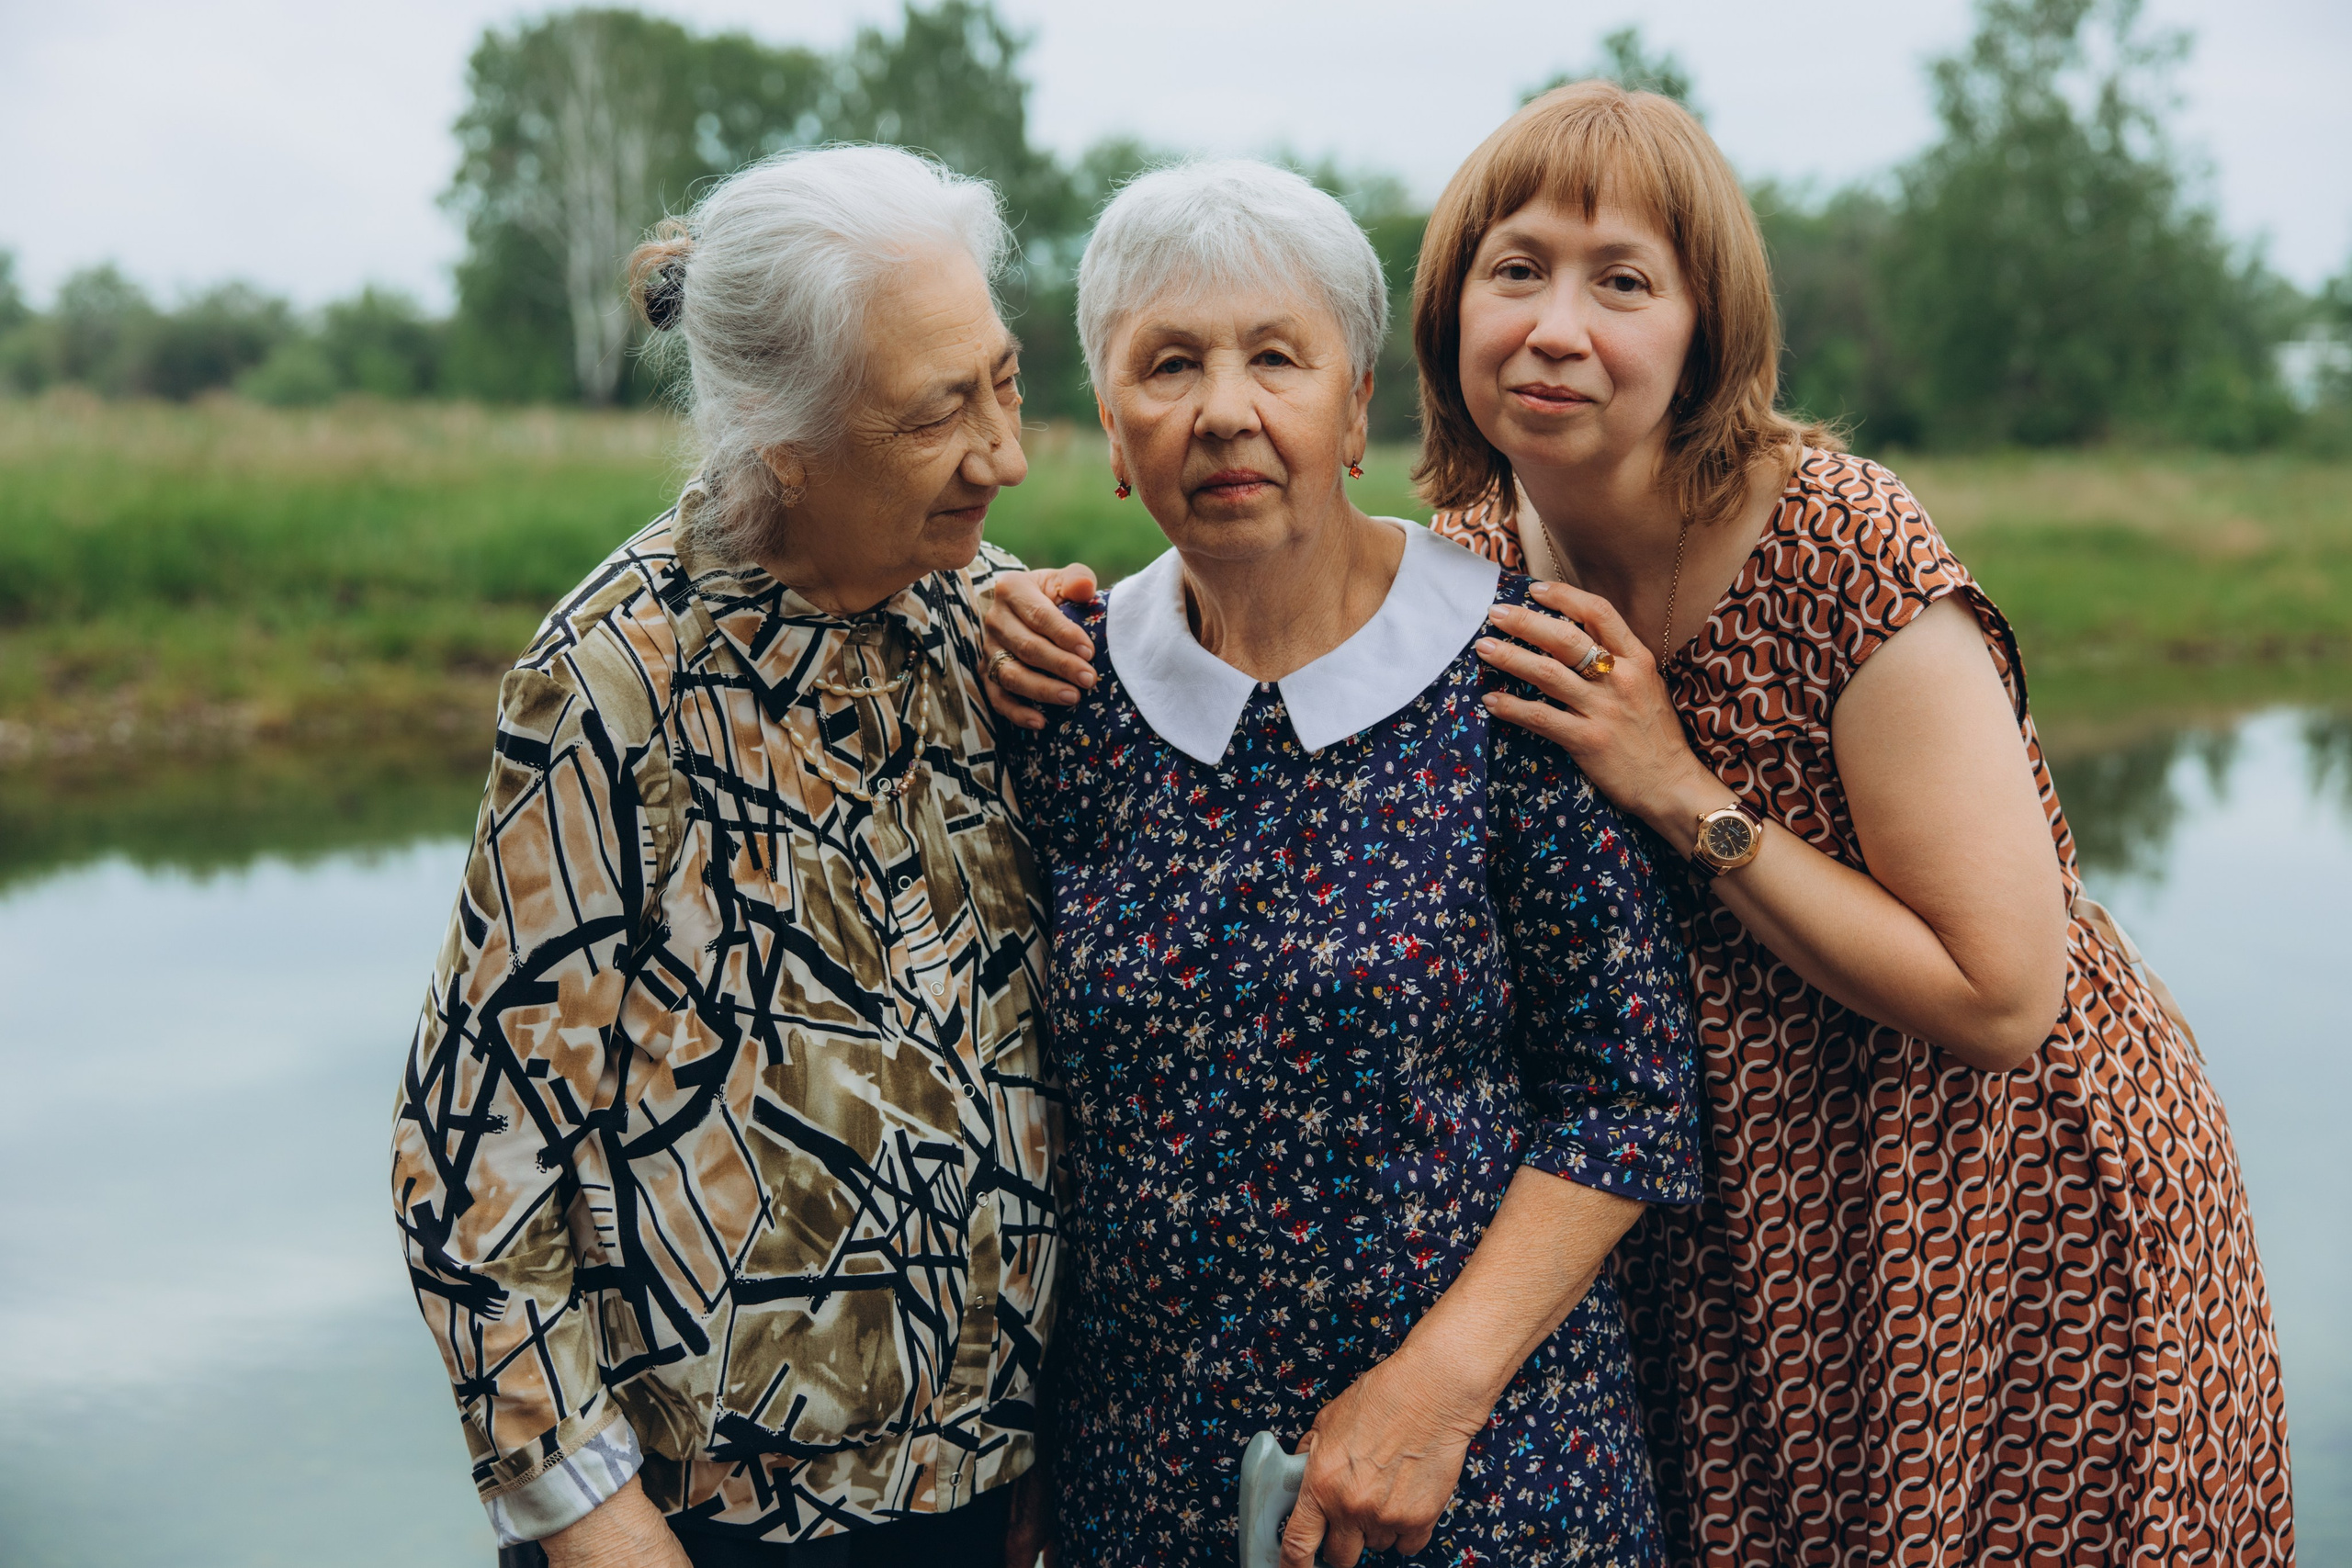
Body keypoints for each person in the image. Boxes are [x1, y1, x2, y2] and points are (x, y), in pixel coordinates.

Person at [987, 87, 2295, 1564]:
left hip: (1984, 1189)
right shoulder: (1482, 567)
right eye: (1517, 270)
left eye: (1621, 280)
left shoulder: (1839, 545)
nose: (1558, 327)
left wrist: (1679, 789)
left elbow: (2003, 996)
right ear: (1445, 316)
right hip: (1751, 1217)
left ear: (1703, 331)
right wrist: (1006, 602)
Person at [1001, 160, 1705, 1568]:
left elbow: (1627, 1097)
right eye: (1169, 366)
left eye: (1278, 357)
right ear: (1114, 432)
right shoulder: (1056, 693)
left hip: (1484, 1471)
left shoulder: (1515, 670)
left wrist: (1435, 1395)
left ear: (1355, 407)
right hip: (1145, 1484)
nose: (1225, 409)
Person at [391, 145, 1062, 1568]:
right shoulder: (617, 676)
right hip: (709, 1526)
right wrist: (589, 1515)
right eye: (939, 412)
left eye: (1005, 382)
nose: (1005, 454)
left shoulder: (994, 619)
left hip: (982, 1494)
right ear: (781, 439)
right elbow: (472, 1154)